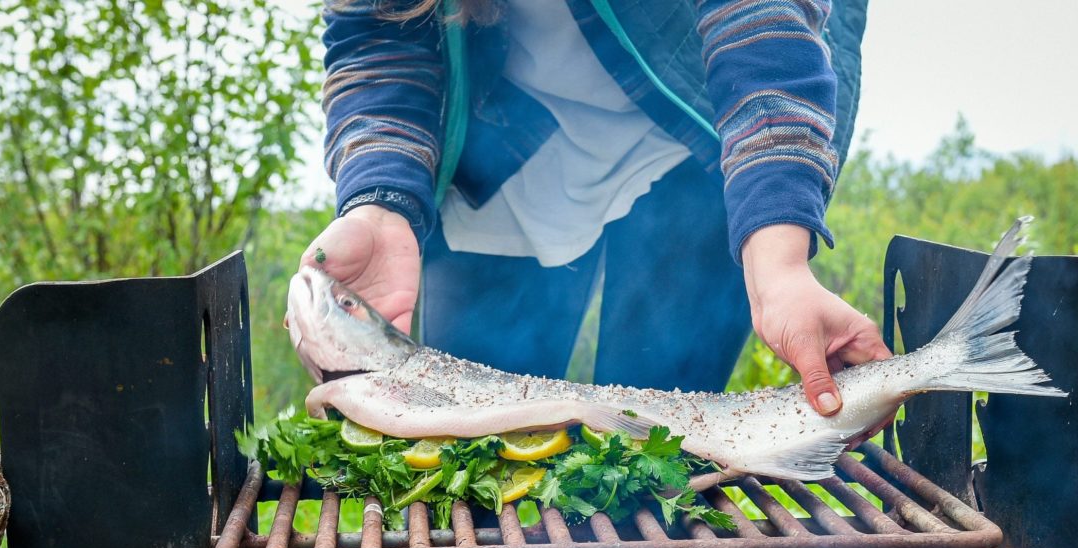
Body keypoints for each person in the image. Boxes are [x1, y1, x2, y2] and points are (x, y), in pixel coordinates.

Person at [303, 0, 891, 414]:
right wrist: (380, 201)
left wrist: (781, 262)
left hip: (695, 125)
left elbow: (758, 18)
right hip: (504, 137)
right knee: (472, 468)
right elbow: (378, 37)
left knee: (658, 455)